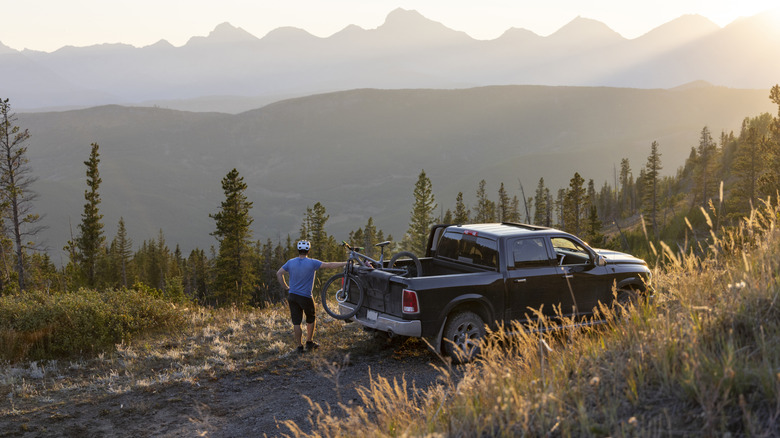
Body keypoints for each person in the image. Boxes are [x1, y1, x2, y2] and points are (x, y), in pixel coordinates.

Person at [277, 240, 347, 353]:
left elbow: (279, 273)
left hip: (292, 296)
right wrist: (345, 263)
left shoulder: (290, 262)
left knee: (296, 322)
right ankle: (309, 342)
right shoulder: (312, 262)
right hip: (305, 297)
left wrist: (286, 287)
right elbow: (330, 265)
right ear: (308, 250)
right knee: (311, 319)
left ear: (298, 250)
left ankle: (299, 346)